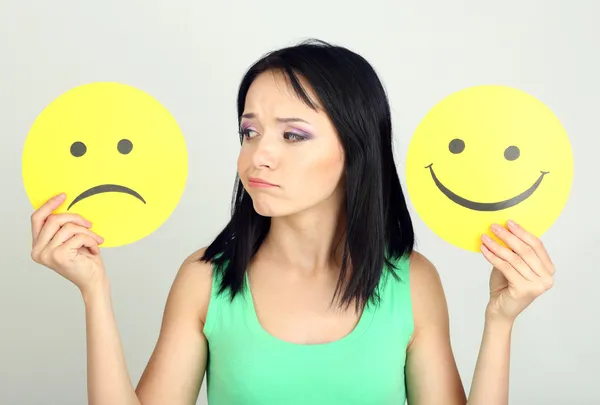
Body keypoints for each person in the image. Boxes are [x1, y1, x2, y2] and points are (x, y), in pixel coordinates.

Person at [29, 39, 556, 405]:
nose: (258, 156)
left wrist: (500, 320)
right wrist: (94, 292)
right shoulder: (205, 279)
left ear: (355, 148)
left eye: (292, 134)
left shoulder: (412, 283)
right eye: (249, 131)